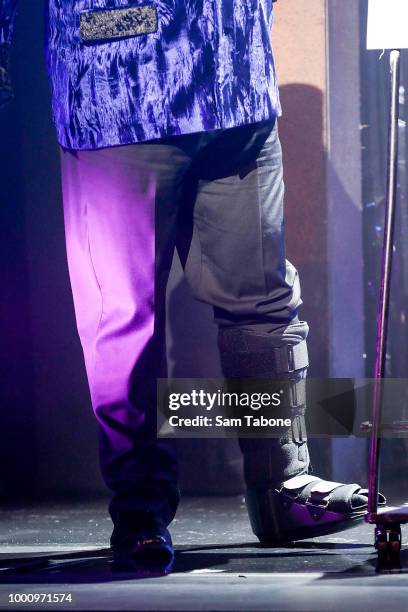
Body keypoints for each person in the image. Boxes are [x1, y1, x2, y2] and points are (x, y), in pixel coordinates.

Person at [0, 0, 383, 571]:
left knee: (265, 303)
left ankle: (283, 486)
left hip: (236, 80)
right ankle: (139, 511)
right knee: (124, 317)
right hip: (121, 86)